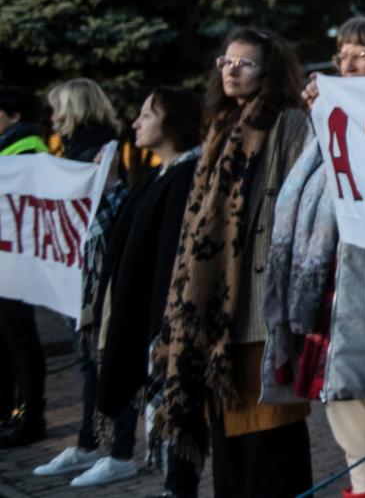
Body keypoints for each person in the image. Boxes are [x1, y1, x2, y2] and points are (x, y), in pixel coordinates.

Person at [155, 27, 315, 498]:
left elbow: (296, 210)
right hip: (218, 316)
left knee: (271, 444)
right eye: (226, 61)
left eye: (244, 63)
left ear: (269, 71)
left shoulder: (289, 123)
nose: (231, 70)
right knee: (231, 450)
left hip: (262, 313)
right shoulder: (222, 127)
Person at [272, 14, 365, 498]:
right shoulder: (324, 124)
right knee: (358, 450)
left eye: (362, 53)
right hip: (331, 305)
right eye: (341, 55)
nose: (346, 64)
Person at [95, 86, 204, 498]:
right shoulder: (155, 177)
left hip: (171, 323)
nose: (136, 122)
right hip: (149, 319)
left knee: (179, 410)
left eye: (147, 114)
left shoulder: (186, 177)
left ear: (172, 121)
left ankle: (179, 488)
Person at [33, 78, 139, 485]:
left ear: (74, 109)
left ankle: (119, 450)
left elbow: (103, 215)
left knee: (105, 362)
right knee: (89, 364)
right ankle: (90, 443)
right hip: (77, 273)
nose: (53, 117)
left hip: (94, 277)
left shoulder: (100, 151)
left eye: (58, 107)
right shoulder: (78, 150)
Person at [0, 85, 50, 448]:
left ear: (14, 114)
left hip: (15, 260)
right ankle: (8, 412)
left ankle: (31, 416)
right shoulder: (9, 144)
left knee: (20, 339)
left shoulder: (27, 146)